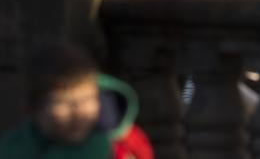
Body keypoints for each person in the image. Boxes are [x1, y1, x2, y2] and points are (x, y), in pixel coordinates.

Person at [0, 43, 153, 159]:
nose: (79, 111)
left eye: (87, 99)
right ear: (35, 108)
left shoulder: (119, 146)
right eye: (64, 102)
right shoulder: (14, 150)